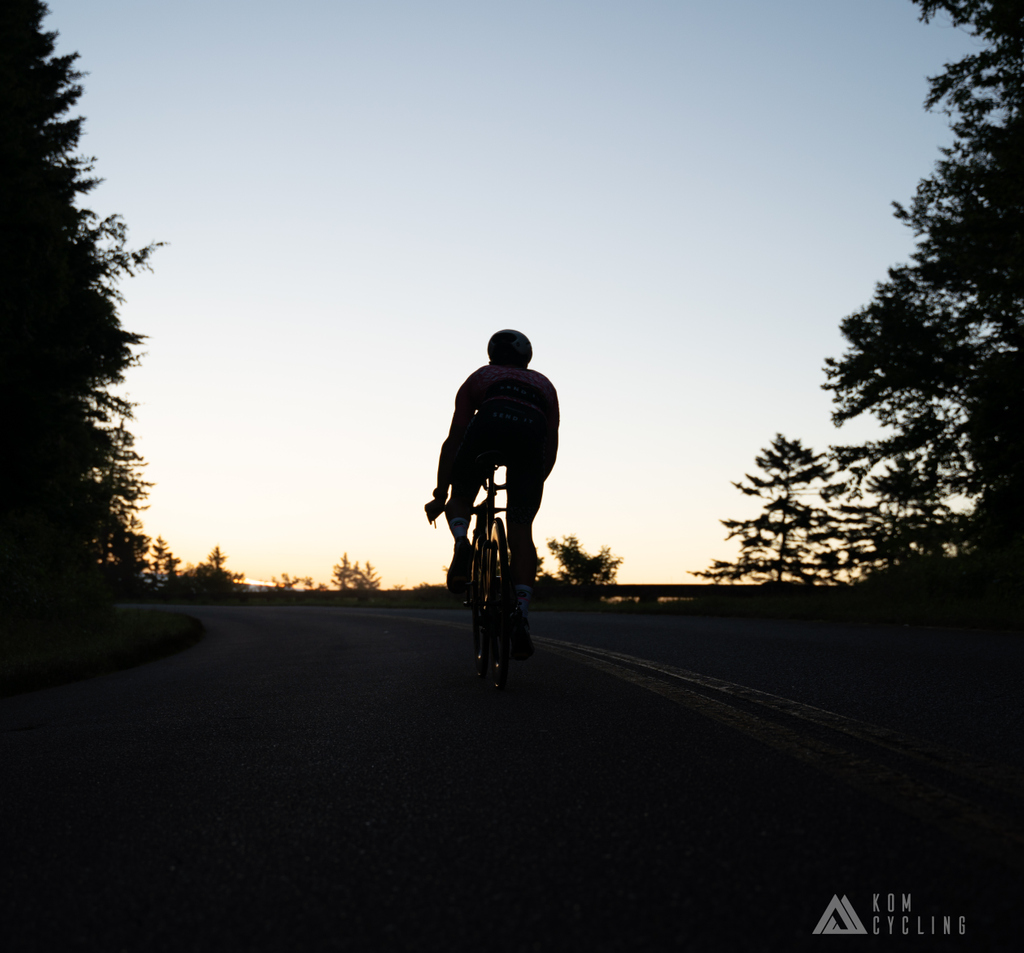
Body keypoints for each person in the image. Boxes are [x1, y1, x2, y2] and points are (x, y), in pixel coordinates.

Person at [424, 330, 559, 660]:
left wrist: (442, 490)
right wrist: (532, 483)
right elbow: (551, 441)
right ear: (527, 356)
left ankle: (461, 542)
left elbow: (454, 438)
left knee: (462, 496)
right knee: (521, 530)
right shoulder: (543, 383)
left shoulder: (481, 376)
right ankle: (521, 613)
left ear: (492, 353)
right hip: (529, 440)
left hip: (487, 428)